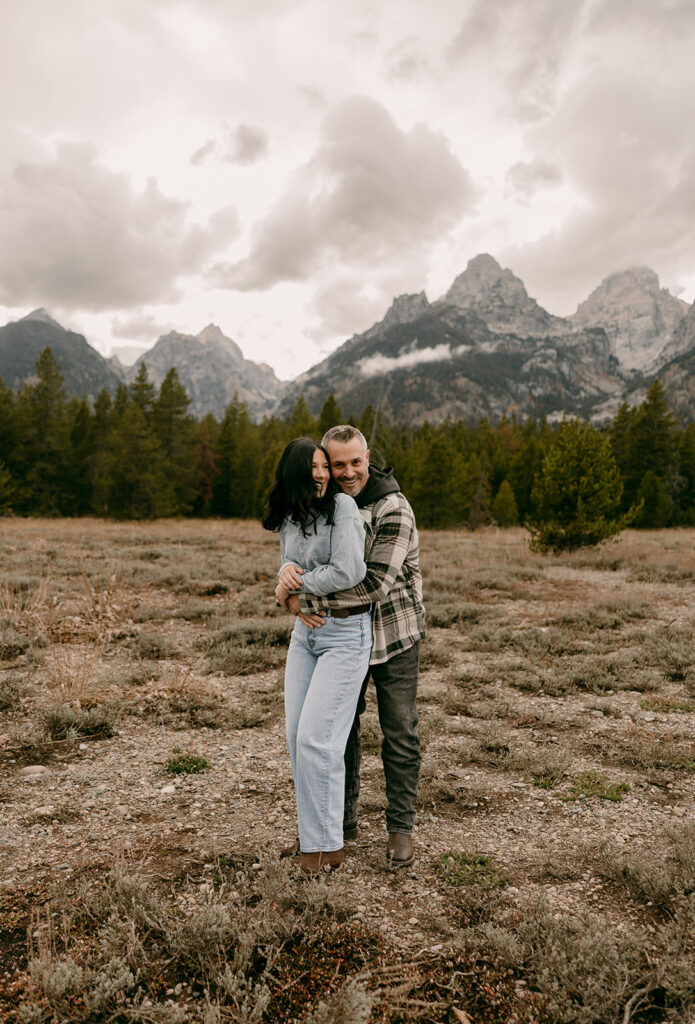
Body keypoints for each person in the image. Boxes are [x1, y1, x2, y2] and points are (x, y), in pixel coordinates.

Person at [281, 425, 425, 868]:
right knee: (338, 732)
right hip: (342, 634)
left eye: (354, 463)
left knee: (398, 733)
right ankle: (338, 827)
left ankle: (400, 829)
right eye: (336, 463)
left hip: (392, 636)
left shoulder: (393, 509)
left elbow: (372, 585)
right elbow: (304, 555)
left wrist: (297, 597)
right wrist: (287, 578)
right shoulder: (325, 505)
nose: (346, 472)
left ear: (368, 459)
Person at [262, 437, 372, 876]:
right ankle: (314, 837)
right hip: (304, 635)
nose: (324, 474)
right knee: (295, 738)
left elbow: (350, 571)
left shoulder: (343, 509)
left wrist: (295, 585)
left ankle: (327, 848)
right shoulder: (292, 515)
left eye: (325, 466)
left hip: (344, 634)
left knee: (317, 738)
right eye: (315, 467)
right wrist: (283, 578)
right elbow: (287, 567)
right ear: (295, 474)